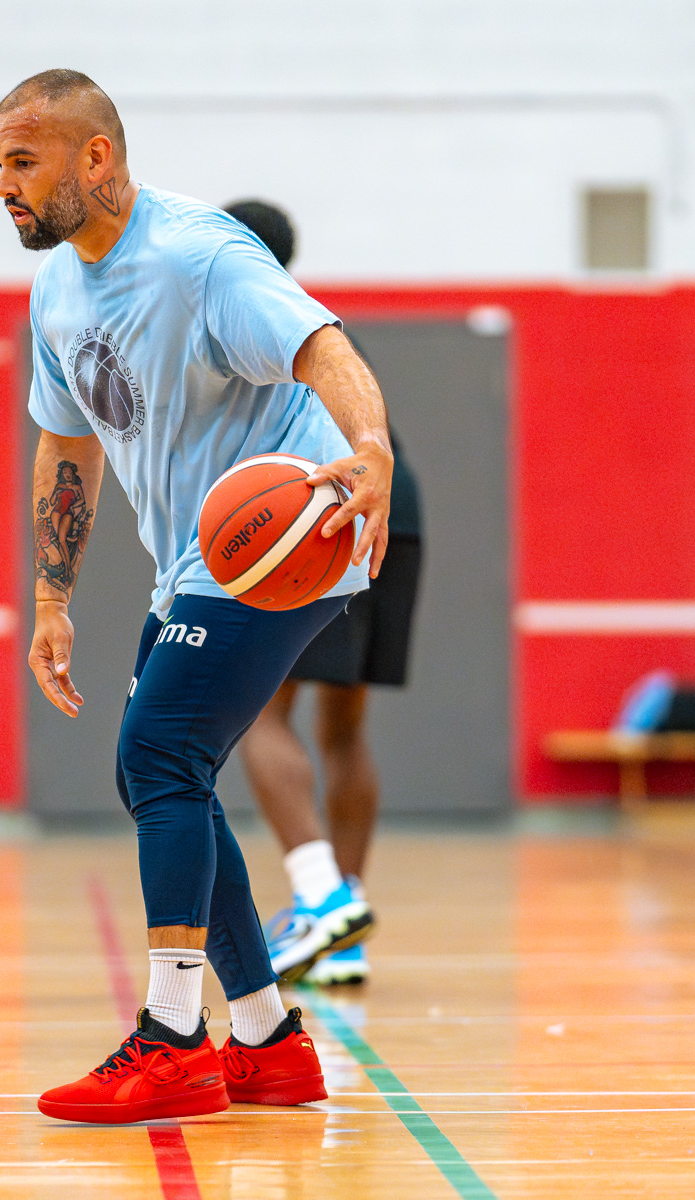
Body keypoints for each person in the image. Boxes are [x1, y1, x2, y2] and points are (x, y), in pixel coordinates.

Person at [0, 69, 393, 1125]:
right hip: (192, 562)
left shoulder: (197, 254)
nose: (4, 186)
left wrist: (370, 446)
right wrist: (51, 597)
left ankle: (177, 1035)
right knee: (166, 775)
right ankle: (265, 1038)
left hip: (286, 536)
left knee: (157, 754)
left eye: (22, 163)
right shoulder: (54, 289)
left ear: (97, 158)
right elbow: (66, 442)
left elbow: (323, 346)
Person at [225, 200, 426, 988]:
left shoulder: (245, 318)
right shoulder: (321, 322)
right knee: (344, 727)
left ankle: (322, 898)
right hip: (395, 503)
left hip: (325, 508)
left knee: (260, 713)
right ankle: (346, 935)